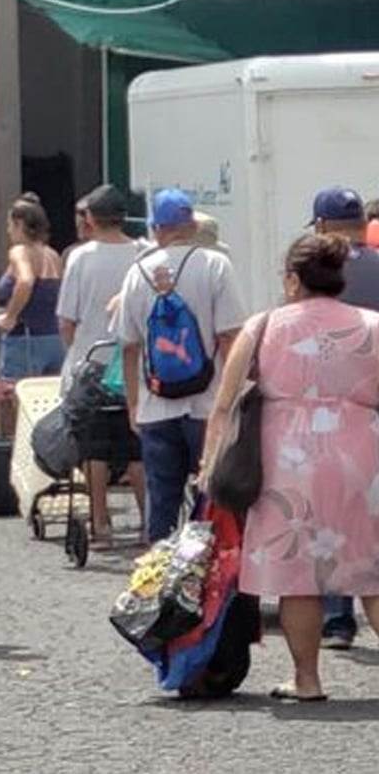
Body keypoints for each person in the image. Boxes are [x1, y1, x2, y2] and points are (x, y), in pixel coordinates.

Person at [202, 234, 379, 702]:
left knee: (299, 578)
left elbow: (224, 404)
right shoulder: (372, 325)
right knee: (372, 572)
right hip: (364, 458)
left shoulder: (263, 326)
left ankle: (307, 679)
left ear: (293, 280)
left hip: (288, 462)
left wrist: (209, 463)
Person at [113, 189, 245, 543]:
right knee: (214, 497)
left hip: (156, 406)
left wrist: (133, 404)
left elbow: (129, 345)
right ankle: (213, 569)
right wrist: (234, 397)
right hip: (208, 405)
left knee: (161, 501)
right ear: (192, 225)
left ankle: (158, 568)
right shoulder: (216, 265)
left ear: (157, 228)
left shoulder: (137, 272)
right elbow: (230, 336)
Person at [306, 188, 379, 649]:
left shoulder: (319, 273)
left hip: (332, 409)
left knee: (332, 511)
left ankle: (337, 619)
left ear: (320, 225)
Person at [56, 185, 145, 546]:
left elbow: (67, 318)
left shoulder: (81, 257)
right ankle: (149, 520)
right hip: (133, 361)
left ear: (90, 218)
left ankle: (100, 522)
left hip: (92, 361)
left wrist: (75, 353)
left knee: (93, 447)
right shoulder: (143, 253)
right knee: (136, 446)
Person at [0, 193, 66, 381]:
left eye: (10, 225)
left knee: (14, 393)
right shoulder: (53, 255)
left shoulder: (20, 252)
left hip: (25, 339)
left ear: (19, 224)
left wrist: (10, 316)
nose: (8, 231)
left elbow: (25, 281)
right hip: (54, 338)